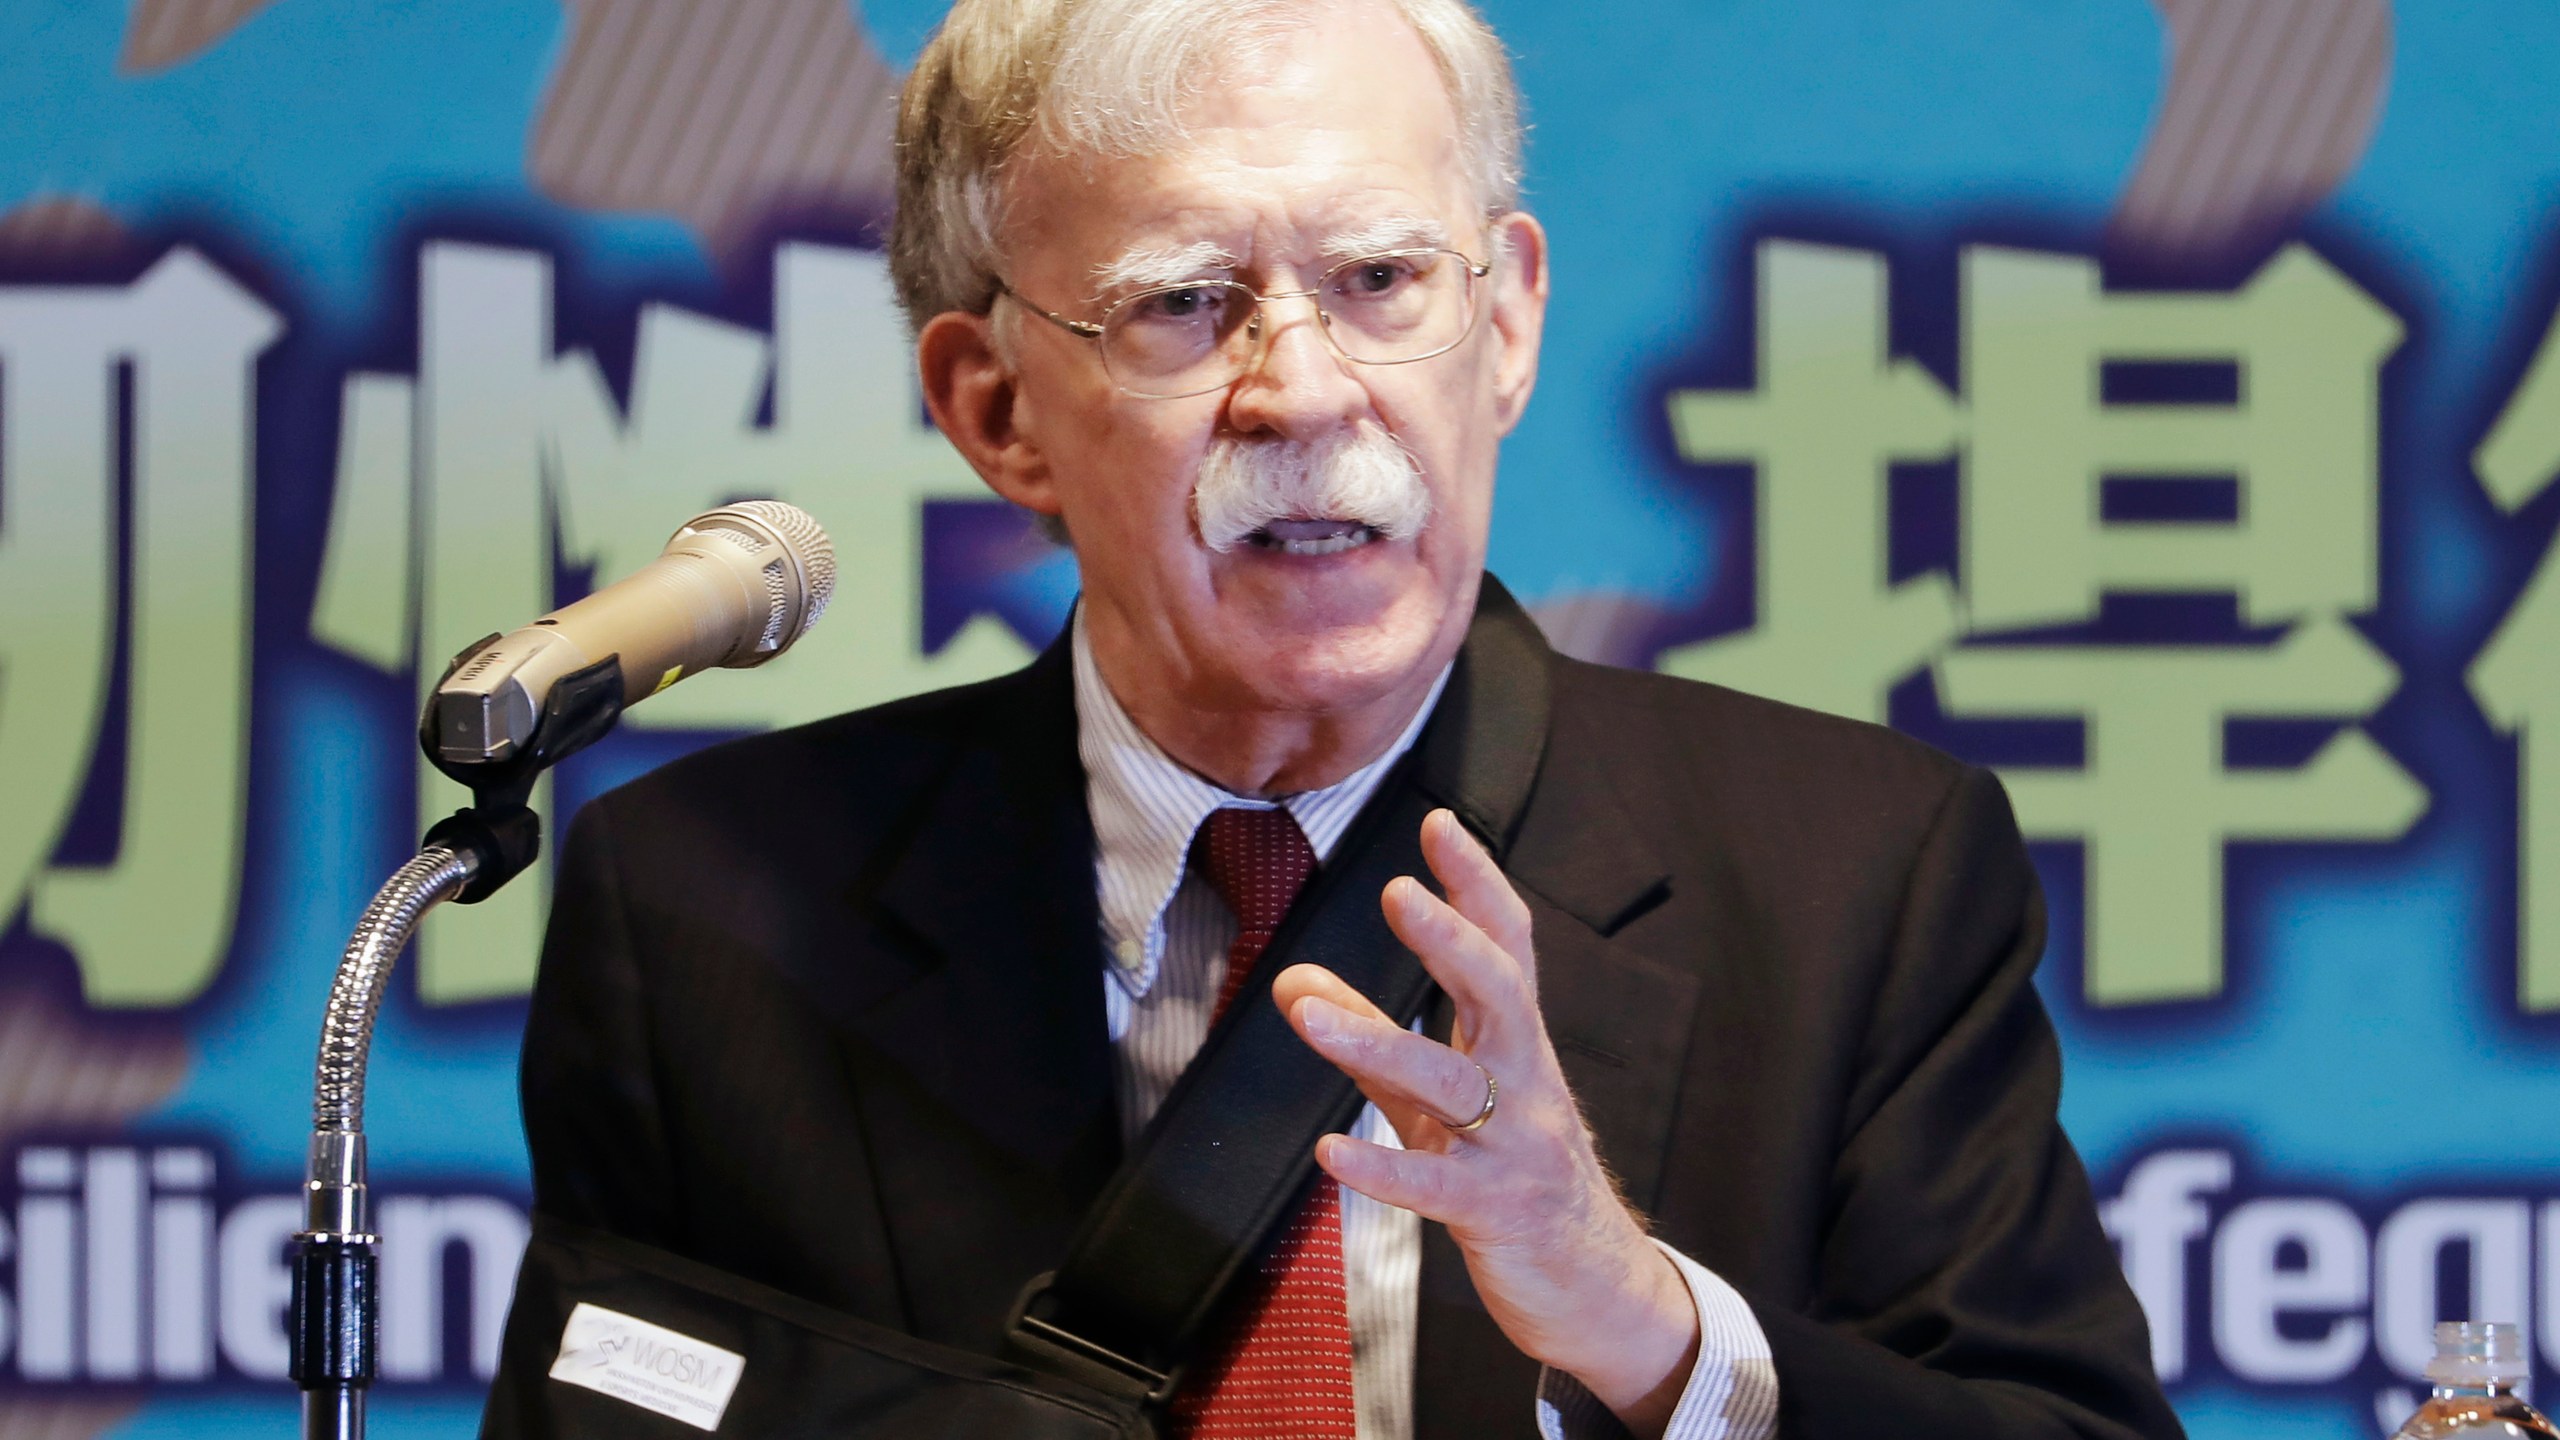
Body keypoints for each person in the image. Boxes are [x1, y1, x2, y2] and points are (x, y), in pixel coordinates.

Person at [496, 1, 2186, 1437]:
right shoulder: (714, 913)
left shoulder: (1851, 876)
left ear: (1508, 322)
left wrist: (1639, 1318)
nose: (1303, 389)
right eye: (1181, 303)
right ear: (995, 410)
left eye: (1381, 276)